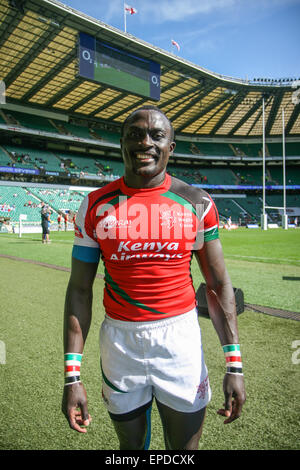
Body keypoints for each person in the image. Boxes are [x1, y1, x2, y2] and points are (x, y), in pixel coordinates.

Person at [62, 105, 246, 450]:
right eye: (135, 134)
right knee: (131, 450)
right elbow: (79, 290)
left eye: (157, 135)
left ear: (170, 147)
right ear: (121, 143)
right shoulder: (94, 205)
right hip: (119, 342)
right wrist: (72, 375)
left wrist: (234, 364)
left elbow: (219, 286)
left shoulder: (197, 202)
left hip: (180, 340)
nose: (145, 142)